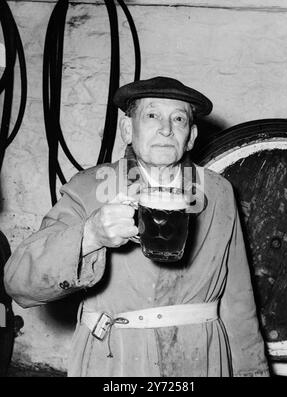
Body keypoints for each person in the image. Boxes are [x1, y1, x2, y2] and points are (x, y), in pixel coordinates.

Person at [4, 76, 269, 377]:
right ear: (128, 129)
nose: (166, 129)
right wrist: (90, 235)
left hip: (201, 357)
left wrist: (253, 372)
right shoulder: (90, 188)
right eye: (152, 115)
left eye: (178, 119)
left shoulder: (218, 192)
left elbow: (238, 298)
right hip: (116, 358)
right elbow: (18, 282)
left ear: (191, 136)